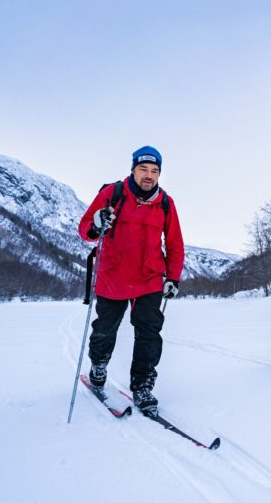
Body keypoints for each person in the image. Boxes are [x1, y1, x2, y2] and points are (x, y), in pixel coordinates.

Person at [78, 145, 184, 413]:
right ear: (133, 169)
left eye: (154, 171)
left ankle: (143, 385)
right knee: (105, 329)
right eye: (143, 169)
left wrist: (173, 277)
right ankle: (98, 366)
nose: (149, 175)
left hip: (149, 278)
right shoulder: (112, 194)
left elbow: (175, 243)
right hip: (113, 276)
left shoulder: (165, 203)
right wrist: (97, 224)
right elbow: (85, 230)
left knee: (149, 332)